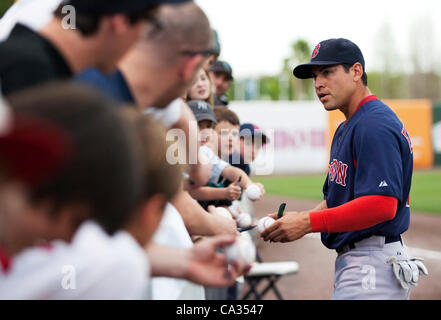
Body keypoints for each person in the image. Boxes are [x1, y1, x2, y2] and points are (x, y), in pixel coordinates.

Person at [261, 38, 428, 299]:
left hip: (372, 265)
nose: (318, 83)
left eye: (328, 72)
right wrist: (295, 220)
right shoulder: (348, 127)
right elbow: (335, 201)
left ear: (356, 72)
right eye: (315, 76)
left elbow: (382, 205)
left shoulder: (373, 124)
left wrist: (306, 223)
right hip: (361, 263)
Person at [0, 0, 190, 97]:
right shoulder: (33, 84)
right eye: (151, 23)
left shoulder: (25, 61)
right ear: (121, 21)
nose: (142, 38)